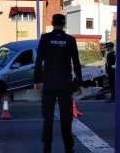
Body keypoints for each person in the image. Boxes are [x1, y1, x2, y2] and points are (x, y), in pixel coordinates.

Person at [34, 13, 83, 153]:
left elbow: (38, 61)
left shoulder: (45, 38)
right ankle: (68, 147)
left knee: (47, 117)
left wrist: (37, 81)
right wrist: (80, 82)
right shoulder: (70, 40)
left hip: (49, 82)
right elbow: (76, 63)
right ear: (64, 24)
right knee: (66, 117)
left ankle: (47, 147)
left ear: (52, 22)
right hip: (65, 82)